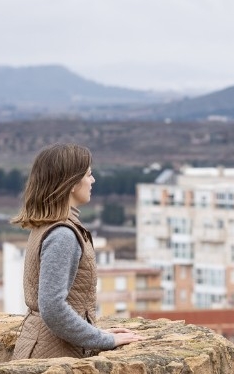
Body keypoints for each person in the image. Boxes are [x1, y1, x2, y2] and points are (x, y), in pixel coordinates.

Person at [11, 143, 145, 359]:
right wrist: (105, 340)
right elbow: (53, 308)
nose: (93, 181)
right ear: (72, 183)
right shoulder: (62, 234)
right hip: (53, 356)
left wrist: (95, 333)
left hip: (42, 348)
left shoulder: (46, 225)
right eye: (89, 175)